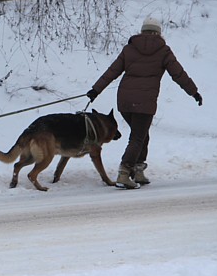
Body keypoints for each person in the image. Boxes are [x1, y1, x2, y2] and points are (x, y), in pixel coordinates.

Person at [86, 17, 202, 189]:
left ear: (142, 32)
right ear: (158, 33)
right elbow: (178, 74)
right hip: (145, 103)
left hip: (124, 101)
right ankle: (124, 173)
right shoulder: (163, 51)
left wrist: (96, 90)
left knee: (141, 135)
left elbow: (112, 71)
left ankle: (138, 170)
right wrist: (193, 92)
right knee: (138, 137)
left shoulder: (130, 48)